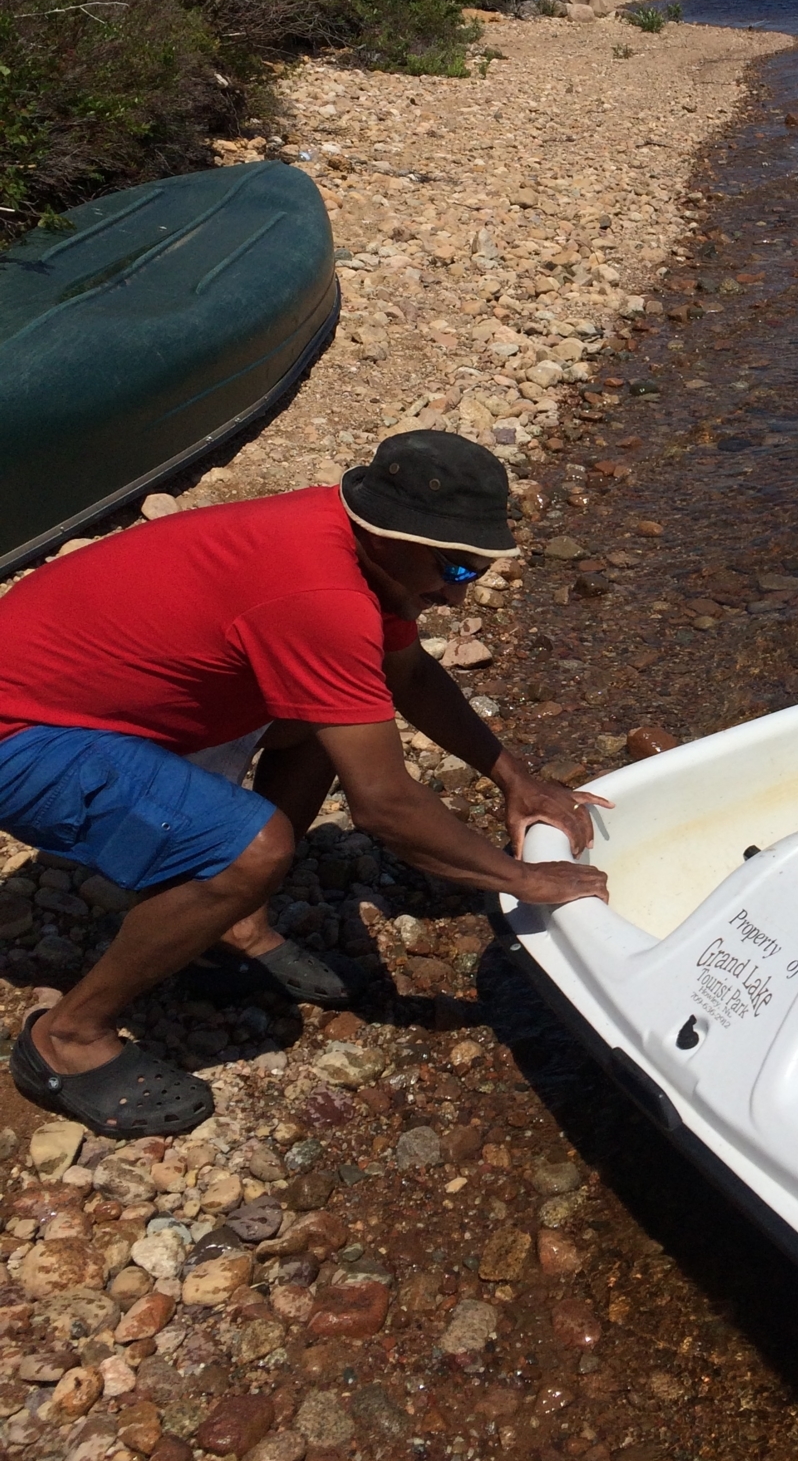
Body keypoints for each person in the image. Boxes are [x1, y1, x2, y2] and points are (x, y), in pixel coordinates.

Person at [0, 430, 609, 1137]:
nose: (454, 595)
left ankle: (233, 920)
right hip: (22, 733)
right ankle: (66, 1038)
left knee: (325, 723)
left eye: (473, 570)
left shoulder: (355, 547)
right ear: (386, 535)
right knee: (252, 852)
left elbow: (405, 674)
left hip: (92, 699)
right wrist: (520, 880)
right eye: (455, 570)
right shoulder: (322, 593)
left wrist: (515, 778)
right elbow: (384, 805)